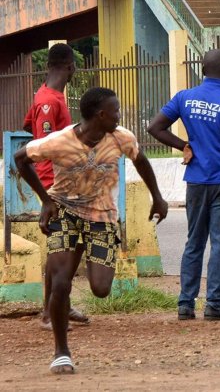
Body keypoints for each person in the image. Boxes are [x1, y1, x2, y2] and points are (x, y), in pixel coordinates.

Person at [14, 87, 168, 374]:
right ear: (101, 115)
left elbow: (141, 160)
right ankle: (61, 352)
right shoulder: (59, 141)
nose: (119, 115)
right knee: (61, 282)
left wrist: (157, 197)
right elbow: (20, 158)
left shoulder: (122, 137)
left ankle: (70, 262)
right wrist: (45, 201)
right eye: (116, 110)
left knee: (100, 288)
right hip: (65, 212)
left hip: (102, 218)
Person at [146, 49, 220, 322]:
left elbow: (154, 127)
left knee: (194, 241)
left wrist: (184, 145)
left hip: (196, 181)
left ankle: (185, 304)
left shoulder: (184, 98)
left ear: (202, 69)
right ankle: (214, 304)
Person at [22, 43, 90, 331]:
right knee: (62, 248)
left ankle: (59, 303)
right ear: (70, 67)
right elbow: (48, 143)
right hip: (56, 184)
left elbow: (29, 127)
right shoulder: (51, 101)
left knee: (71, 243)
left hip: (63, 181)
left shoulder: (43, 96)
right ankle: (51, 312)